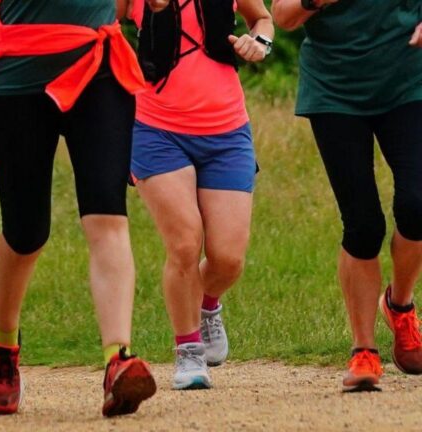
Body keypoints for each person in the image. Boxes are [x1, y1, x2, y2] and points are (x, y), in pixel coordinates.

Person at [0, 0, 157, 418]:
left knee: (107, 215)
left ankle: (118, 359)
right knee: (26, 232)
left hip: (98, 68)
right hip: (15, 78)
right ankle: (3, 339)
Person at [273, 0, 422, 392]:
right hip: (334, 89)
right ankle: (364, 351)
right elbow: (283, 16)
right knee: (363, 225)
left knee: (418, 206)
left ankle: (400, 305)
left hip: (409, 80)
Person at [129, 0, 272, 390]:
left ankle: (207, 305)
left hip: (227, 130)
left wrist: (259, 43)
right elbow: (97, 26)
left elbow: (262, 19)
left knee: (228, 259)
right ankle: (188, 349)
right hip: (155, 129)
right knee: (184, 244)